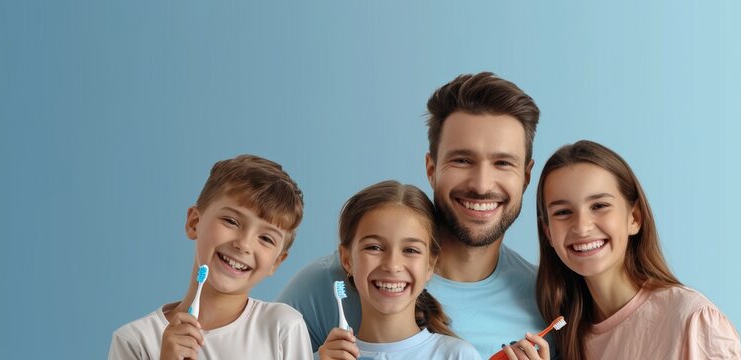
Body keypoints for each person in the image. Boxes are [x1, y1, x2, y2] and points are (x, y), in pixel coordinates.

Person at [278, 72, 550, 358]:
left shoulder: (544, 300)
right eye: (462, 160)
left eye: (503, 163)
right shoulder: (329, 282)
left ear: (526, 176)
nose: (481, 185)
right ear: (431, 169)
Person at [534, 140, 741, 359]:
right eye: (563, 212)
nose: (582, 227)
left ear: (634, 218)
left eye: (599, 206)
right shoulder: (564, 336)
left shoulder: (693, 321)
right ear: (548, 233)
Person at [109, 154, 312, 360]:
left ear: (276, 262)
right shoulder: (135, 341)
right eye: (231, 221)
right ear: (194, 223)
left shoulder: (283, 328)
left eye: (266, 238)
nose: (243, 244)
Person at [317, 180, 481, 360]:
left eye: (410, 250)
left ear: (430, 265)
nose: (392, 265)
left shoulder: (457, 355)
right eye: (374, 247)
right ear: (347, 259)